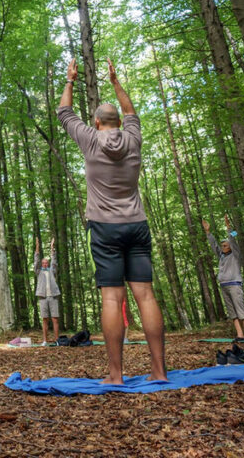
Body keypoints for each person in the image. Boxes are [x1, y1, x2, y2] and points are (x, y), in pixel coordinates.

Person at [57, 57, 166, 384]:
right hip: (137, 224)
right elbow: (131, 111)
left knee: (111, 298)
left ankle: (116, 375)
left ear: (95, 122)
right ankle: (159, 372)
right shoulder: (133, 137)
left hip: (104, 228)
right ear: (118, 120)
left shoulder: (89, 140)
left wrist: (70, 81)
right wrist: (116, 82)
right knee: (145, 295)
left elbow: (64, 112)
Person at [203, 215, 244, 342]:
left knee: (241, 311)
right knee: (233, 313)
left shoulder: (235, 255)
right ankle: (240, 335)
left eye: (225, 245)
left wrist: (229, 227)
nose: (223, 247)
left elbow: (234, 239)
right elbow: (213, 245)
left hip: (235, 285)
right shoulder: (221, 256)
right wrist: (208, 232)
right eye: (222, 245)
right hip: (224, 286)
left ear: (230, 246)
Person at [33, 237, 61, 346]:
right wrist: (37, 247)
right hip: (42, 297)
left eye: (46, 263)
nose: (45, 264)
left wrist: (52, 248)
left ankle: (57, 340)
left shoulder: (52, 271)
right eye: (43, 263)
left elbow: (54, 261)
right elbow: (35, 261)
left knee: (55, 319)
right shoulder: (38, 271)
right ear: (41, 264)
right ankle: (45, 340)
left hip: (53, 296)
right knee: (45, 319)